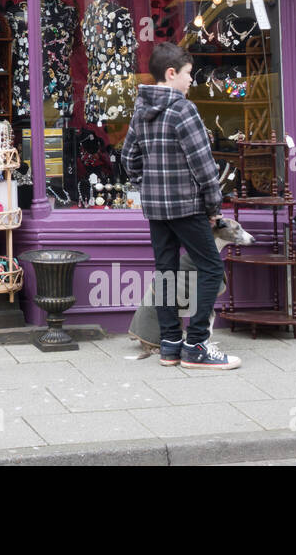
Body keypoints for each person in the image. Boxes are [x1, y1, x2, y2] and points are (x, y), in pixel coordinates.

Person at [120, 42, 241, 370]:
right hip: (186, 206)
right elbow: (203, 164)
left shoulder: (142, 109)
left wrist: (147, 185)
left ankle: (171, 345)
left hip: (157, 208)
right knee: (211, 268)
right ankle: (198, 344)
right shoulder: (183, 109)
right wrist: (214, 204)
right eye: (188, 74)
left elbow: (128, 158)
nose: (191, 80)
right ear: (171, 73)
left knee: (166, 271)